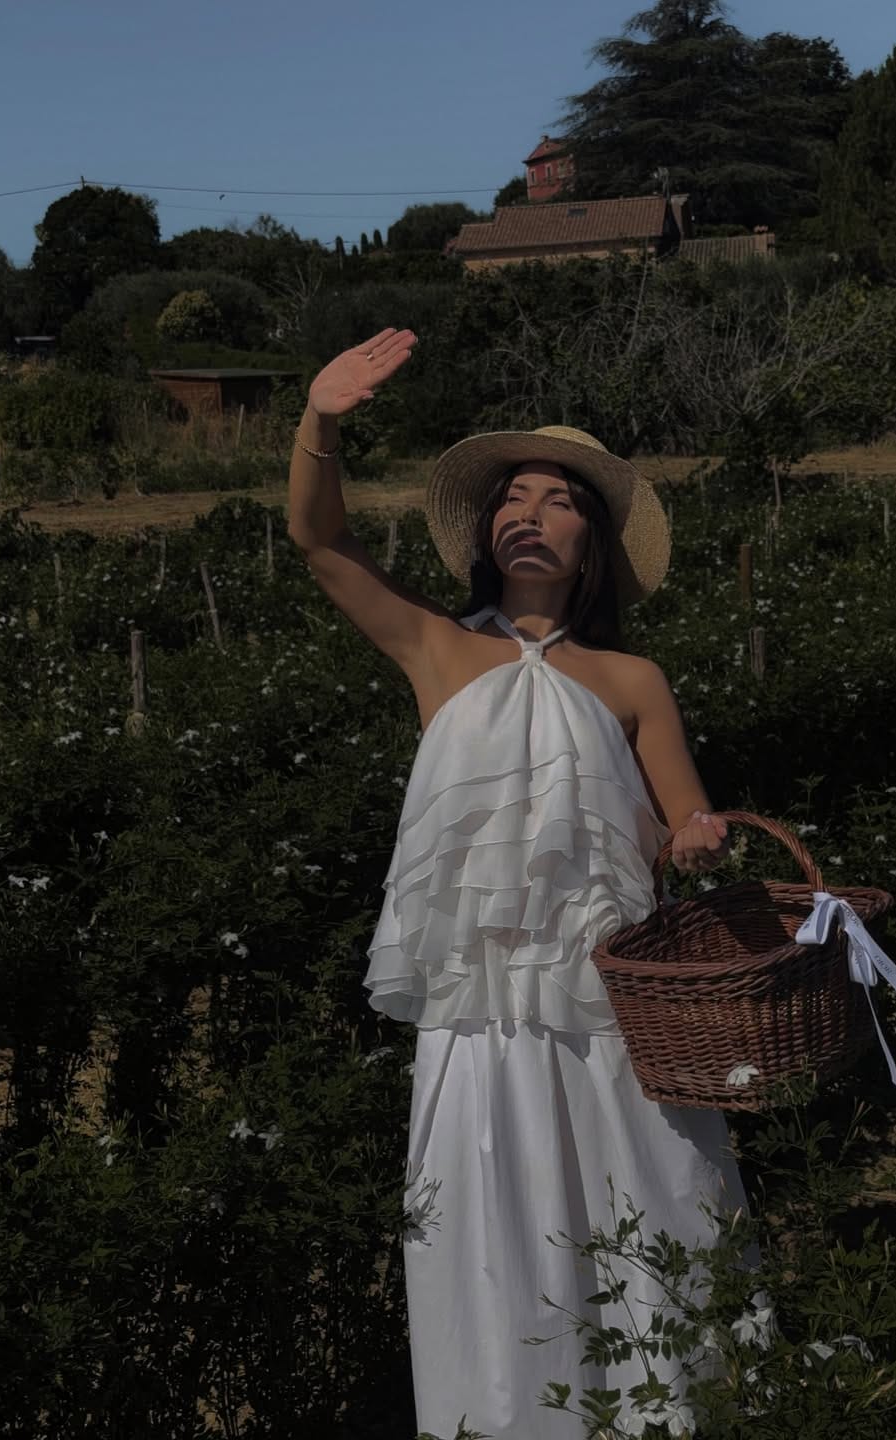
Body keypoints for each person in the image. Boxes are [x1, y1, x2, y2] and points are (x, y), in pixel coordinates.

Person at [288, 328, 751, 1440]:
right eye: (514, 497)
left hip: (609, 1015)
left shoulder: (634, 678)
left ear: (592, 541)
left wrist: (698, 842)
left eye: (560, 499)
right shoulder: (437, 651)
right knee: (492, 1251)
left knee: (649, 1222)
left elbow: (690, 826)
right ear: (489, 536)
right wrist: (322, 418)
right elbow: (318, 539)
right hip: (479, 1022)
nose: (532, 512)